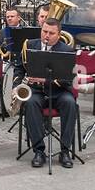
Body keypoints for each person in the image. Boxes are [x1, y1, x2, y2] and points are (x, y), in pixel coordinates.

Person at [20, 18, 79, 168]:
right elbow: (19, 68)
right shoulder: (30, 45)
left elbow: (68, 80)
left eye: (51, 33)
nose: (46, 35)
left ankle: (65, 150)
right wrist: (17, 86)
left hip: (59, 91)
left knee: (70, 103)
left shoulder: (66, 50)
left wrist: (45, 80)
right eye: (44, 31)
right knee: (31, 103)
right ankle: (39, 151)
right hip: (36, 91)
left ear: (59, 35)